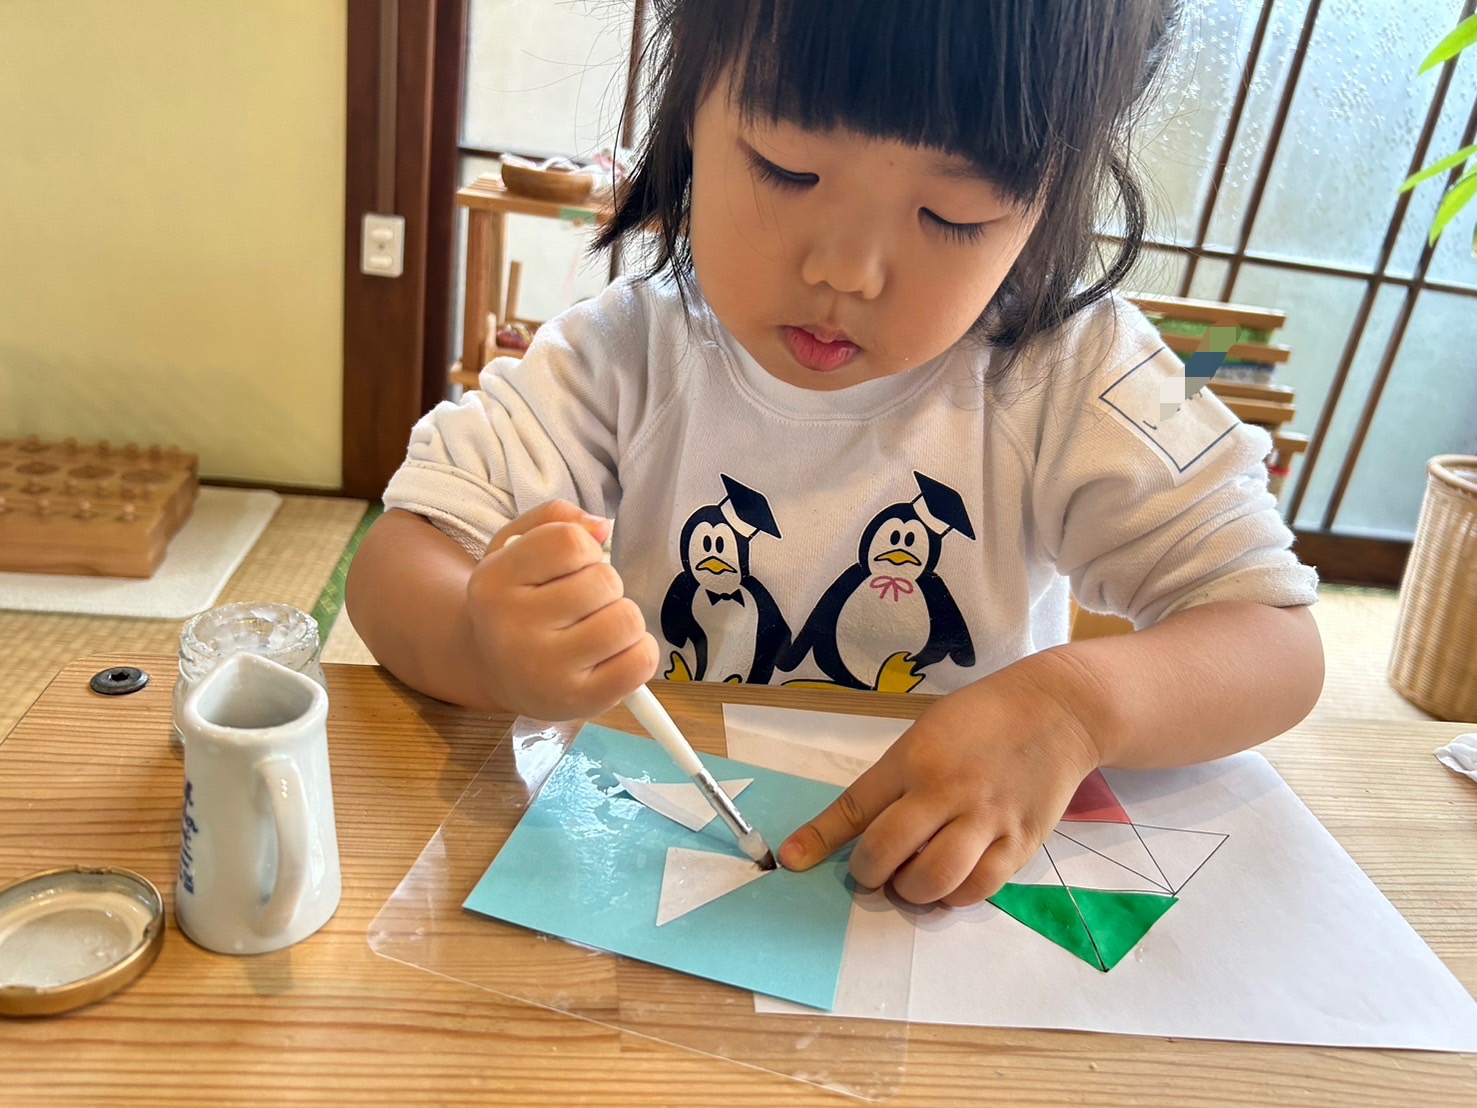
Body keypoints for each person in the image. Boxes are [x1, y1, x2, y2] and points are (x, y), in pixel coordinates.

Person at [346, 0, 1323, 909]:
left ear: (1048, 202)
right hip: (655, 873)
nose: (845, 270)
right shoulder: (620, 356)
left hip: (935, 907)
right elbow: (397, 562)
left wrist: (1077, 709)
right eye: (786, 168)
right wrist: (483, 644)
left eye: (954, 214)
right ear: (687, 111)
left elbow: (1276, 643)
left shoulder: (1080, 371)